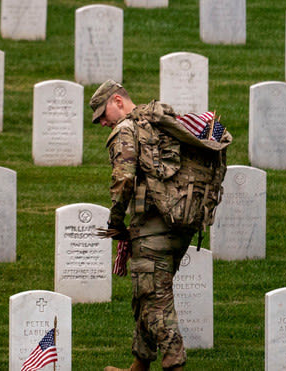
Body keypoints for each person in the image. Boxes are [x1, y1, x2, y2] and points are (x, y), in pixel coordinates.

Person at [90, 80, 190, 371]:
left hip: (152, 228)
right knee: (146, 295)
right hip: (178, 225)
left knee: (155, 301)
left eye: (102, 115)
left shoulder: (125, 129)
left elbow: (124, 179)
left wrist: (115, 221)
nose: (101, 123)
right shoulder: (155, 123)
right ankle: (139, 365)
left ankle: (175, 365)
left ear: (118, 101)